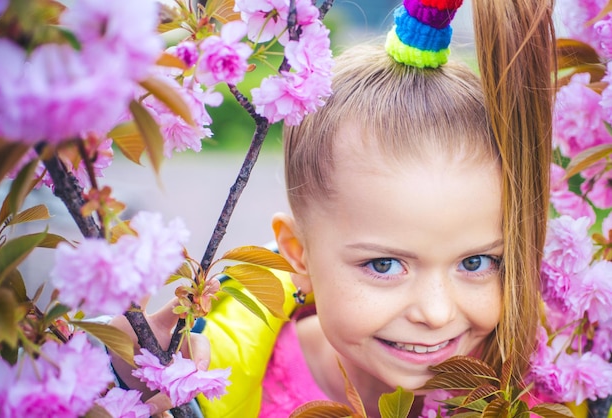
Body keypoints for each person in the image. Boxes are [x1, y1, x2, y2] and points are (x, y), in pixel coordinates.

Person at [111, 0, 556, 416]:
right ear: (298, 254)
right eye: (384, 265)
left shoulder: (546, 384)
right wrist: (121, 381)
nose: (437, 313)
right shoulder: (221, 373)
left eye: (476, 261)